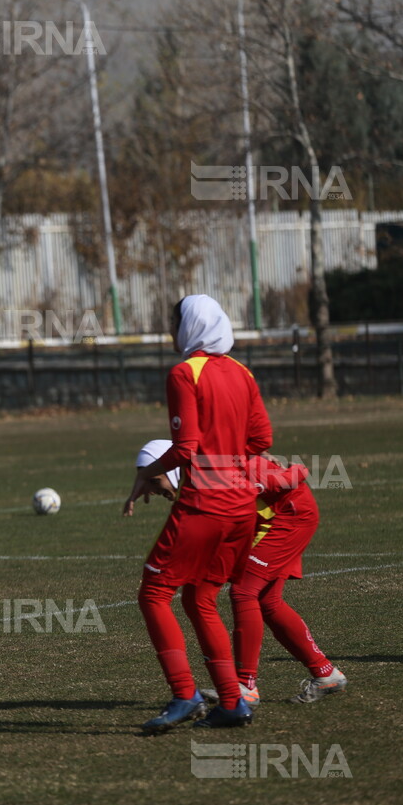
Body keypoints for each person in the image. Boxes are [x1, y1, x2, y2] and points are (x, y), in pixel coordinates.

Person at [123, 295, 272, 733]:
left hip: (207, 502)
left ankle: (184, 693)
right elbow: (262, 437)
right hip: (243, 505)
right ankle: (232, 703)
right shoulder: (242, 371)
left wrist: (145, 474)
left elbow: (185, 448)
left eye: (174, 324)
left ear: (190, 326)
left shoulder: (184, 373)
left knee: (153, 593)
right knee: (199, 598)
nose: (171, 334)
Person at [134, 444, 347, 707]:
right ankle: (326, 674)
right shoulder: (197, 480)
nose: (153, 489)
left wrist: (296, 469)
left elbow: (286, 477)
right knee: (268, 602)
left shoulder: (216, 473)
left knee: (243, 591)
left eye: (156, 479)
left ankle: (246, 685)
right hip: (273, 520)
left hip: (290, 517)